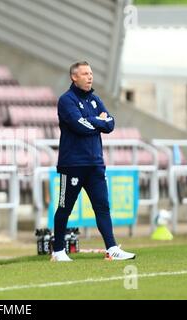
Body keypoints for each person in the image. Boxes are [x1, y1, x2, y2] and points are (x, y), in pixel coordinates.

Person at [51, 61, 136, 262]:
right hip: (72, 164)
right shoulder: (66, 100)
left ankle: (112, 248)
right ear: (74, 77)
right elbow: (80, 125)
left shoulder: (95, 100)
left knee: (102, 206)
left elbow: (111, 124)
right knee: (65, 208)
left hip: (95, 164)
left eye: (91, 73)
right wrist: (99, 121)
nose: (90, 77)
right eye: (85, 74)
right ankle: (58, 251)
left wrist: (95, 121)